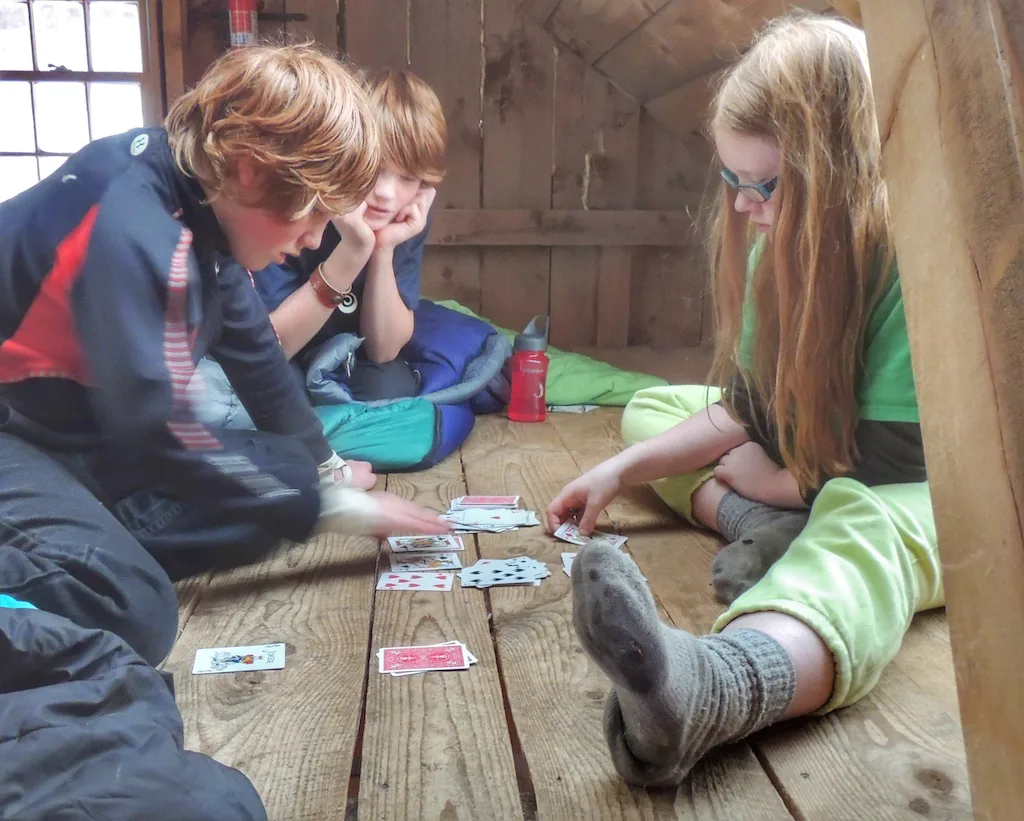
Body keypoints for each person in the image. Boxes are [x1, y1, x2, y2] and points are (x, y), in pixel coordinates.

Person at [546, 13, 939, 787]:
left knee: (866, 522)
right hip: (814, 455)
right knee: (651, 411)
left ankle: (715, 685)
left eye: (765, 186)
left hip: (922, 488)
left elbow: (904, 457)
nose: (742, 207)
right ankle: (768, 527)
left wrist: (778, 477)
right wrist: (618, 473)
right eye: (731, 181)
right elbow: (744, 409)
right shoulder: (772, 247)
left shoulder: (907, 258)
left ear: (843, 180)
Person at [0, 43, 447, 672]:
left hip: (67, 427)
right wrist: (334, 506)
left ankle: (79, 533)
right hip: (18, 437)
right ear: (248, 168)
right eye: (316, 213)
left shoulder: (192, 195)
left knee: (280, 474)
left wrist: (323, 473)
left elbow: (256, 354)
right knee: (133, 608)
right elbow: (159, 431)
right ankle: (65, 547)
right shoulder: (131, 231)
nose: (314, 240)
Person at [197, 67, 446, 418]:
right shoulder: (300, 199)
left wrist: (383, 249)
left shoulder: (406, 215)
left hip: (345, 351)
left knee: (391, 388)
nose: (386, 194)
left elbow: (384, 349)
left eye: (407, 177)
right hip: (282, 342)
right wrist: (351, 250)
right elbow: (270, 346)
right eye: (375, 168)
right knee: (269, 393)